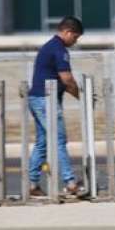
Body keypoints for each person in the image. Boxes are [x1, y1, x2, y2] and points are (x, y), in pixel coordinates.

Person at [27, 16, 84, 196]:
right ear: (67, 32)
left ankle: (32, 183)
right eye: (75, 37)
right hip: (46, 100)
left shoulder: (50, 46)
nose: (75, 42)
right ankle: (70, 182)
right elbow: (67, 79)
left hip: (37, 98)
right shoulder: (59, 49)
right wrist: (83, 97)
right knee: (58, 140)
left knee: (43, 142)